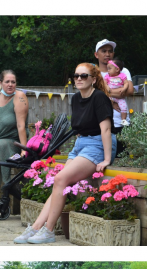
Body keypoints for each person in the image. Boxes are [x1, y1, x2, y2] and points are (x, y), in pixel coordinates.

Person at [16, 63, 115, 244]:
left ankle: (49, 231)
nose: (78, 79)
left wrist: (107, 158)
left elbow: (106, 130)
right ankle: (37, 226)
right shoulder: (76, 98)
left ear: (93, 79)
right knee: (58, 182)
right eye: (76, 75)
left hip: (98, 144)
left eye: (83, 76)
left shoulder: (100, 98)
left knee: (61, 179)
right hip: (81, 144)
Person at [94, 39, 134, 133]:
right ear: (96, 54)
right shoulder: (95, 73)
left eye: (110, 51)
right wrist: (118, 93)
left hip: (121, 123)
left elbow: (130, 91)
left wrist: (106, 92)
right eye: (104, 51)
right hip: (100, 124)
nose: (107, 54)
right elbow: (93, 96)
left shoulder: (123, 71)